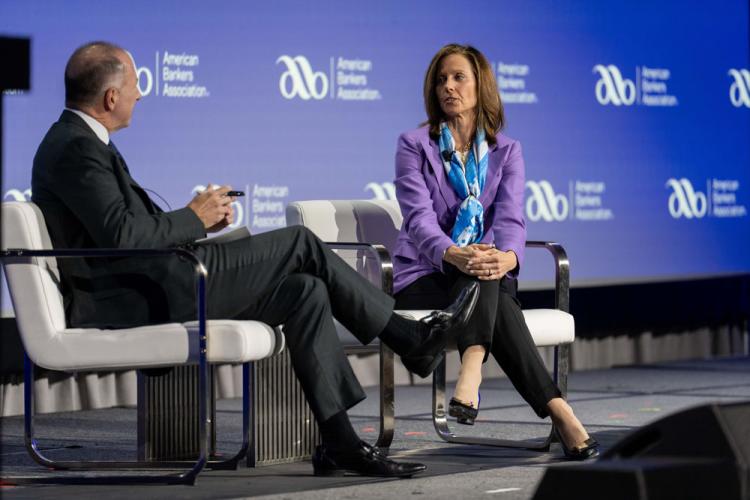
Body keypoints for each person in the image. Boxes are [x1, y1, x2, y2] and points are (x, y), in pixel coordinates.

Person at [31, 41, 480, 477]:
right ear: (111, 97)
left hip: (156, 279)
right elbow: (123, 236)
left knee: (305, 291)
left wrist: (197, 221)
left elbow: (122, 229)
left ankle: (339, 442)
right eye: (134, 86)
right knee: (300, 243)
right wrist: (192, 218)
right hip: (134, 298)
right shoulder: (76, 146)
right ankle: (407, 337)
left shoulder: (84, 141)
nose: (140, 93)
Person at [391, 44, 599, 460]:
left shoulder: (508, 150)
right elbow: (418, 221)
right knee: (481, 267)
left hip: (480, 275)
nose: (447, 87)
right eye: (440, 79)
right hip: (423, 276)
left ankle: (473, 366)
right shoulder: (415, 144)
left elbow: (510, 219)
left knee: (487, 262)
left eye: (458, 77)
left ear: (480, 84)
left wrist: (509, 257)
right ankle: (557, 409)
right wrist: (455, 254)